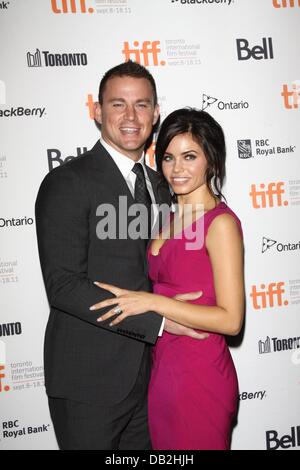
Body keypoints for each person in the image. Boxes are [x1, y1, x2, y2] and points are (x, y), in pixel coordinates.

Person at [35, 62, 204, 450]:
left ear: (156, 113)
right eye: (118, 104)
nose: (131, 116)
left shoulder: (164, 186)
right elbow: (63, 285)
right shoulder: (67, 183)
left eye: (142, 105)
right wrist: (160, 321)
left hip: (154, 377)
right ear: (97, 111)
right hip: (88, 381)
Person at [91, 108, 245, 450]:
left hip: (199, 372)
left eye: (190, 157)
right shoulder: (167, 217)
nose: (177, 169)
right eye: (169, 158)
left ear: (212, 161)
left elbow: (232, 320)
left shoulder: (220, 224)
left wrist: (151, 302)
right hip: (162, 369)